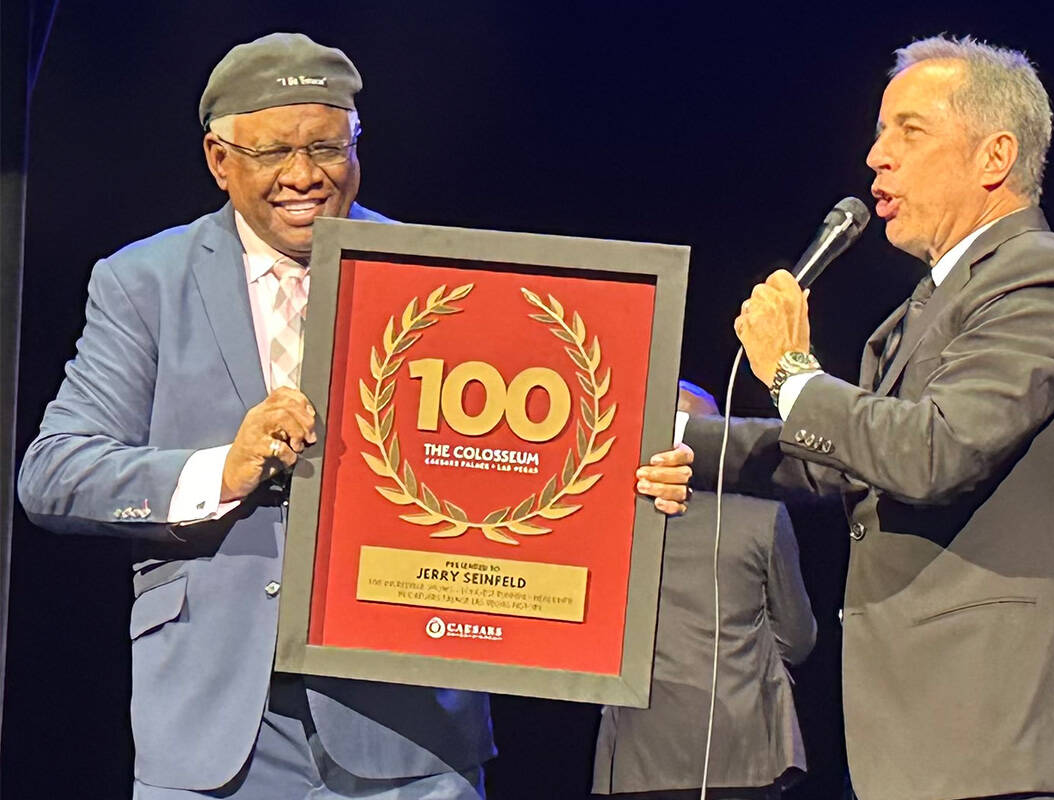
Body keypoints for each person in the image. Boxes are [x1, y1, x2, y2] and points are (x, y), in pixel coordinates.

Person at [637, 35, 1054, 800]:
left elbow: (932, 454)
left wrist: (792, 369)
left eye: (909, 130)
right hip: (929, 734)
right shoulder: (924, 309)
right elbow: (840, 454)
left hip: (1011, 726)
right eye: (879, 132)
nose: (876, 156)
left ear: (994, 156)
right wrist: (680, 444)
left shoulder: (1045, 278)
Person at [18, 33, 495, 799]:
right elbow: (53, 473)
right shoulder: (144, 282)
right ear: (219, 159)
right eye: (273, 153)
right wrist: (223, 470)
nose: (304, 177)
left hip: (407, 722)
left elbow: (521, 451)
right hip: (212, 723)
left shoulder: (441, 278)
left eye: (327, 149)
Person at [593, 383, 817, 800]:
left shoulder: (610, 522)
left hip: (637, 757)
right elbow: (797, 640)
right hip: (744, 751)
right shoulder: (763, 516)